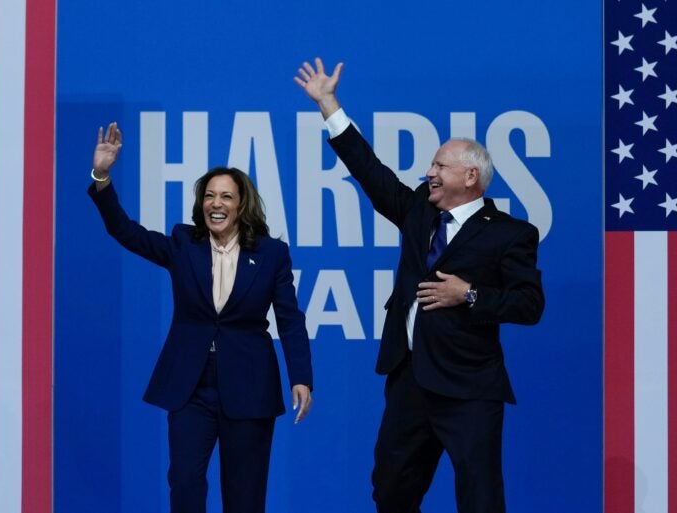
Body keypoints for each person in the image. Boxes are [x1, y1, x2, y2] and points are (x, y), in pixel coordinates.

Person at [295, 58, 544, 513]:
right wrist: (329, 104)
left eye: (440, 165)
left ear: (471, 176)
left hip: (469, 385)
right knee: (390, 490)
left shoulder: (511, 233)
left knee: (480, 498)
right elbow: (370, 170)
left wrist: (467, 294)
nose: (430, 172)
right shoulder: (419, 212)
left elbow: (529, 305)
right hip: (409, 379)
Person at [87, 122, 313, 513]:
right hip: (191, 385)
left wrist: (302, 377)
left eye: (226, 196)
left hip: (249, 383)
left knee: (245, 495)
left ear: (242, 204)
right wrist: (102, 176)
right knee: (185, 482)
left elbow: (290, 319)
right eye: (209, 196)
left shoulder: (272, 253)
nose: (216, 203)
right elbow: (126, 232)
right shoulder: (182, 244)